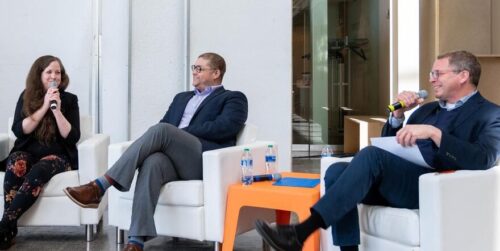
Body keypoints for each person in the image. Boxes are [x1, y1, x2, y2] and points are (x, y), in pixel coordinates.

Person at [255, 50, 500, 251]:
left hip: (432, 187)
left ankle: (301, 232)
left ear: (463, 76)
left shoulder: (489, 113)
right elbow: (389, 146)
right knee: (337, 171)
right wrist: (397, 116)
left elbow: (485, 158)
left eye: (438, 73)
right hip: (399, 180)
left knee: (369, 157)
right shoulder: (427, 110)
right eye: (431, 73)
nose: (432, 79)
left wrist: (436, 134)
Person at [64, 52, 248, 251]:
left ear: (216, 73)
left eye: (199, 68)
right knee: (152, 162)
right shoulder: (181, 98)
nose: (194, 72)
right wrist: (172, 134)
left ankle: (100, 185)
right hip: (173, 160)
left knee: (163, 131)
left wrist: (178, 133)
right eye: (193, 68)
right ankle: (135, 241)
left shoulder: (233, 98)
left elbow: (224, 127)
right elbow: (163, 126)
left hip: (202, 159)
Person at [0, 55, 80, 249]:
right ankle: (8, 230)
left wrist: (57, 110)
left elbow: (72, 137)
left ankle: (4, 225)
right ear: (39, 75)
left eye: (58, 72)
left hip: (58, 157)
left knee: (40, 169)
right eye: (49, 72)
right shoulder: (26, 96)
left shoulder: (69, 100)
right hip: (28, 151)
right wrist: (45, 105)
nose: (54, 76)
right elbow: (20, 130)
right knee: (15, 162)